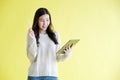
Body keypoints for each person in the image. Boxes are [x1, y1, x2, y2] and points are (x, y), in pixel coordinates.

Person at [27, 7, 72, 80]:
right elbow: (31, 57)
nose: (45, 23)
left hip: (51, 75)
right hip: (35, 75)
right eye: (42, 20)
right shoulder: (32, 34)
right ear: (37, 21)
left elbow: (59, 58)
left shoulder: (55, 35)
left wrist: (67, 53)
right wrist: (32, 40)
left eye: (47, 20)